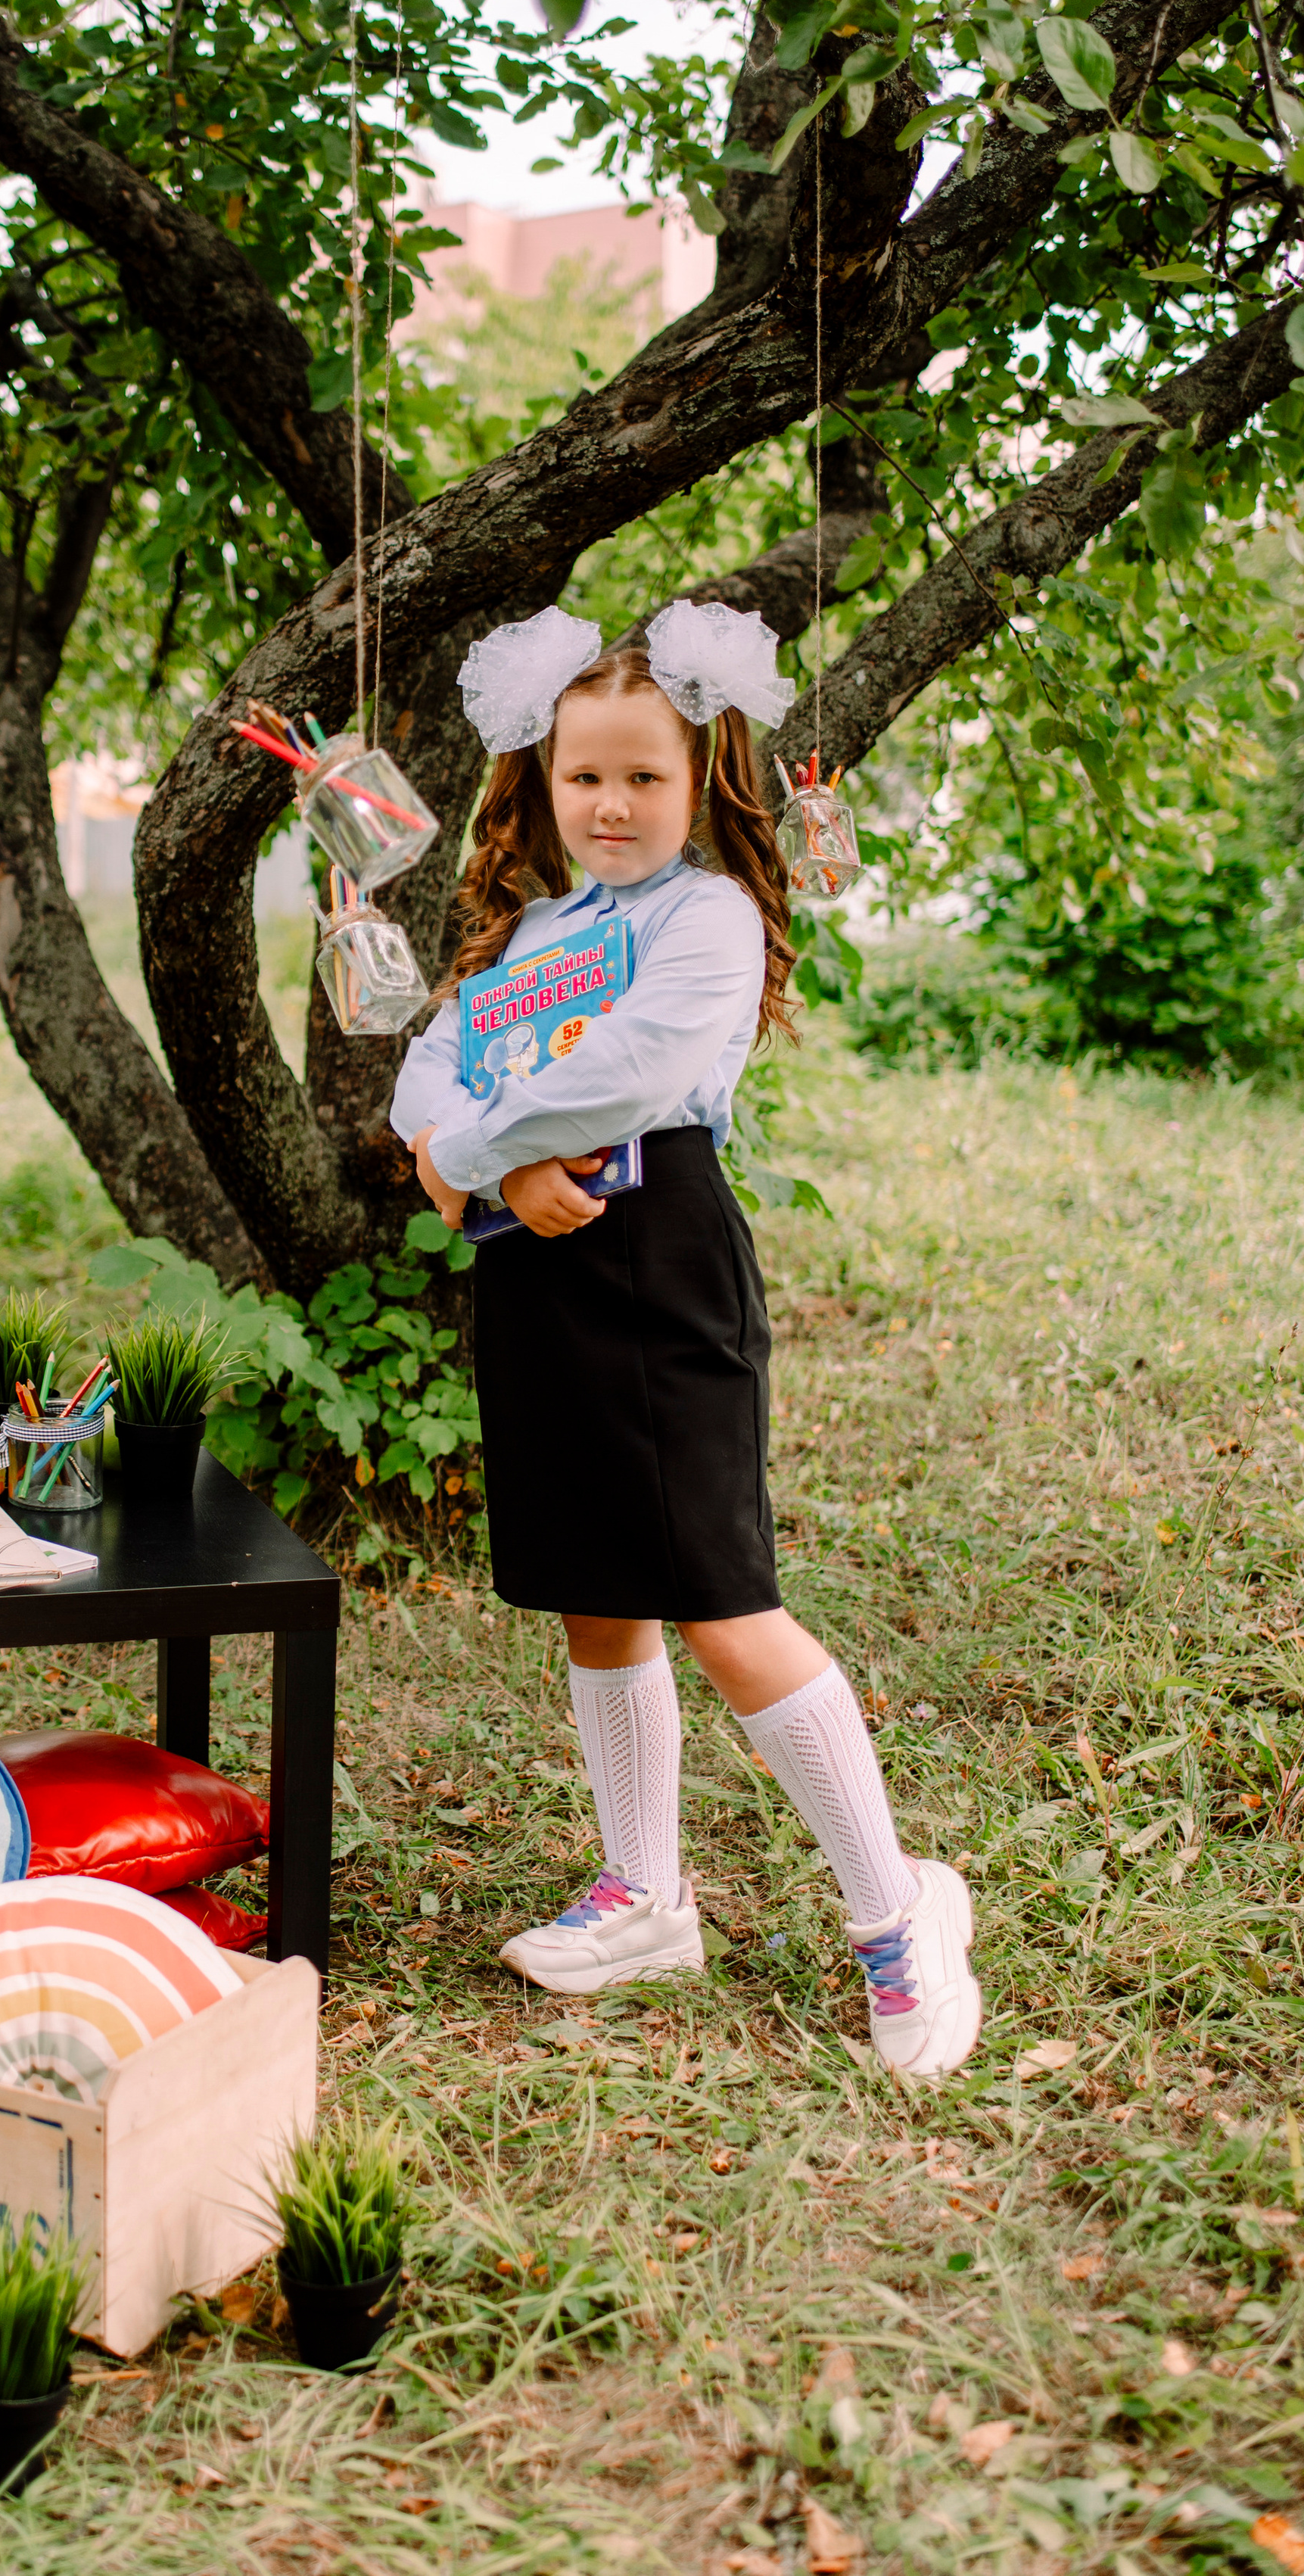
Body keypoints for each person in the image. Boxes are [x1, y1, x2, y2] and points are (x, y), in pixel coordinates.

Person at [389, 600, 981, 2085]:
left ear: (696, 777)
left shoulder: (706, 916)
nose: (610, 803)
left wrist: (478, 1151)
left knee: (720, 1598)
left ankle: (897, 1912)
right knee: (597, 1593)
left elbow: (633, 1067)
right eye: (582, 774)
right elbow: (425, 1068)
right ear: (540, 782)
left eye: (642, 776)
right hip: (531, 1269)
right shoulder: (529, 932)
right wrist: (473, 1159)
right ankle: (644, 1895)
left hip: (657, 1257)